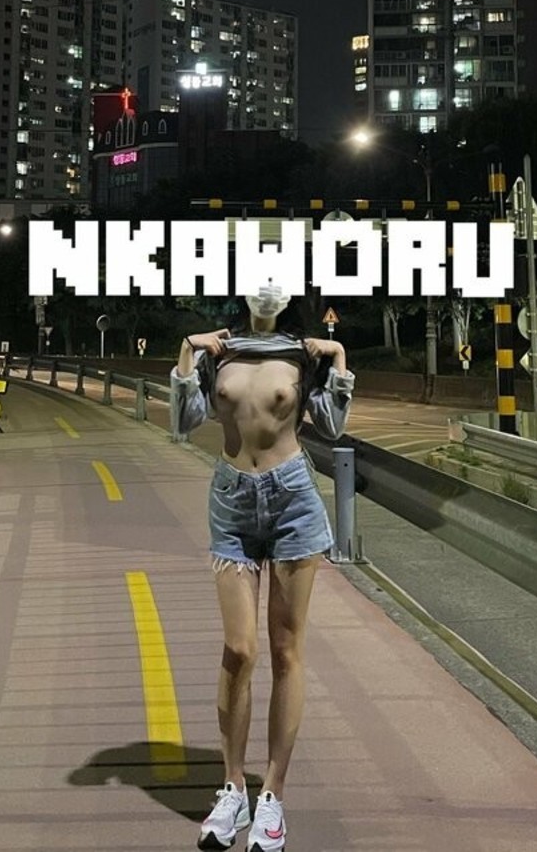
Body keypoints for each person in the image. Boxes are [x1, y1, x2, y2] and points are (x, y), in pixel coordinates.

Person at [171, 286, 354, 852]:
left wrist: (338, 359)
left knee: (286, 649)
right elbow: (183, 422)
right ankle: (233, 789)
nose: (267, 288)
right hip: (231, 501)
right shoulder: (219, 351)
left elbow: (332, 426)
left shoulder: (303, 353)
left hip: (293, 499)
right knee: (239, 650)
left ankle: (272, 794)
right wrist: (187, 351)